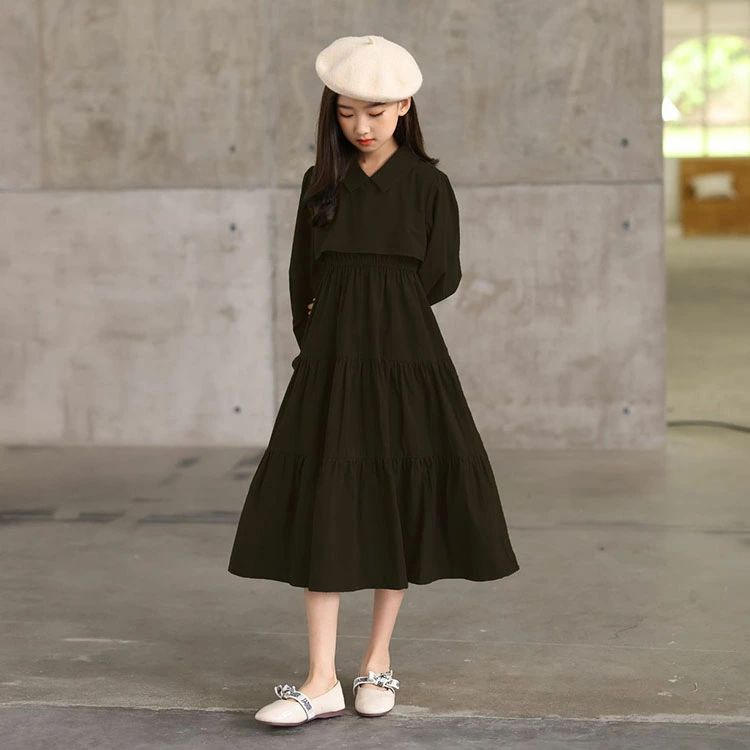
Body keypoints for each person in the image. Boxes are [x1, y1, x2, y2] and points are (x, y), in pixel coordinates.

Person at [227, 34, 520, 727]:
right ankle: (320, 679)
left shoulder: (428, 185)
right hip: (331, 361)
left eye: (377, 111)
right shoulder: (319, 182)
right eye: (347, 112)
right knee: (325, 500)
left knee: (396, 490)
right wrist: (325, 344)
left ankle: (376, 662)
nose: (361, 126)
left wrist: (384, 314)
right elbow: (301, 276)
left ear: (405, 107)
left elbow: (441, 276)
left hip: (406, 358)